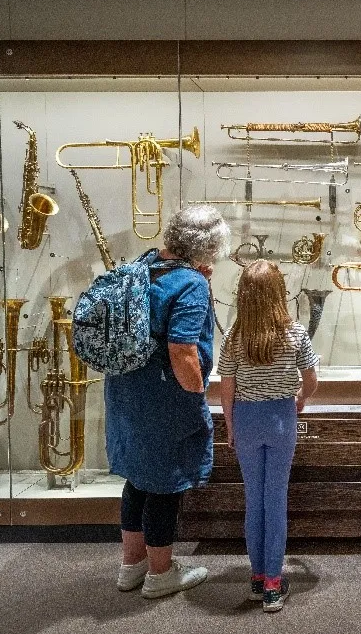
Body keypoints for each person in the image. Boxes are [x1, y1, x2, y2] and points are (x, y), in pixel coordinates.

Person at [107, 204, 229, 599]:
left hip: (127, 390)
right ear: (209, 246)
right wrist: (197, 392)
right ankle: (161, 574)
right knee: (165, 485)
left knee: (137, 480)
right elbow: (182, 349)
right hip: (164, 396)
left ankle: (132, 566)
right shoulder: (190, 284)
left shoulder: (145, 264)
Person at [217, 259, 319, 613]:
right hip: (280, 419)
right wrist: (300, 398)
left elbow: (226, 389)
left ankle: (258, 578)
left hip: (246, 419)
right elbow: (311, 379)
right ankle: (274, 584)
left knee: (254, 499)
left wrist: (231, 426)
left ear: (243, 295)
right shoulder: (295, 333)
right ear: (279, 293)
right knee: (276, 499)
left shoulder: (233, 337)